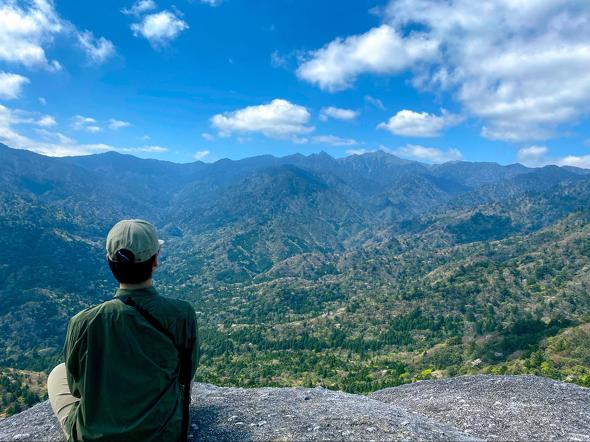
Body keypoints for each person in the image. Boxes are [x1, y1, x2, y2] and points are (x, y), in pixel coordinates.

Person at [47, 219, 198, 441]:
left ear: (110, 262)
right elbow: (186, 374)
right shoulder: (181, 314)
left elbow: (77, 389)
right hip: (163, 434)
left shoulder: (82, 322)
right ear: (155, 261)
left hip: (94, 436)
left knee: (58, 373)